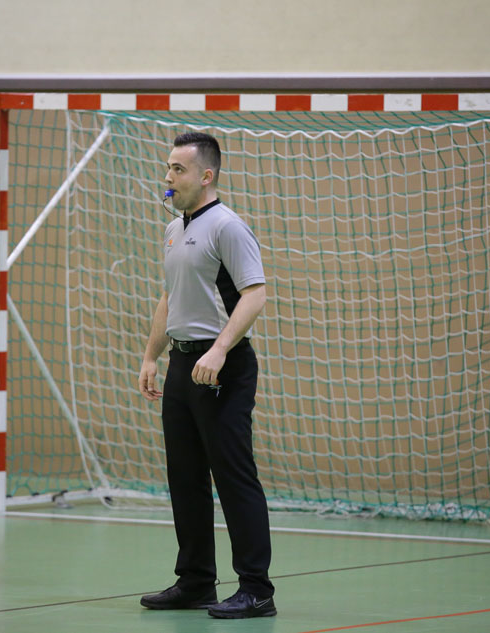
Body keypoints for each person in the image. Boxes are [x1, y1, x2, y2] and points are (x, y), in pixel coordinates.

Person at [137, 132, 276, 619]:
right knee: (185, 477)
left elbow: (255, 294)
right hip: (182, 366)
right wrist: (152, 357)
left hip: (223, 368)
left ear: (206, 175)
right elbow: (169, 296)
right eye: (168, 168)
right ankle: (196, 581)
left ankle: (257, 589)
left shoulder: (227, 227)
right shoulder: (173, 228)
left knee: (233, 477)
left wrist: (219, 350)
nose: (168, 177)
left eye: (178, 169)